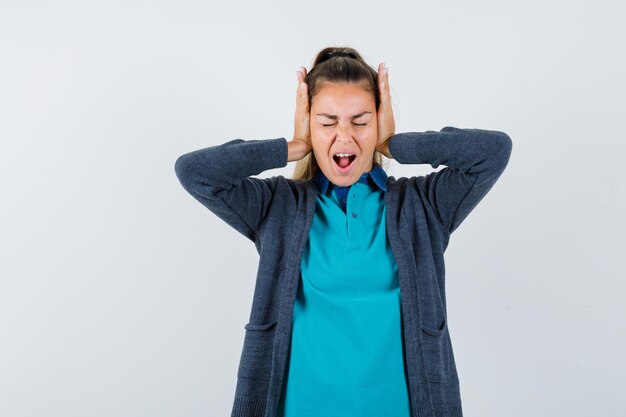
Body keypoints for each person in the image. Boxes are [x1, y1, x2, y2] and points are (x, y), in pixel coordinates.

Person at [174, 46, 512, 417]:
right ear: (309, 124)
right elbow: (195, 172)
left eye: (361, 121)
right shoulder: (278, 206)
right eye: (328, 122)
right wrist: (292, 147)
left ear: (379, 121)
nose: (344, 136)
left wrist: (394, 144)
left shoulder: (422, 205)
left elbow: (493, 151)